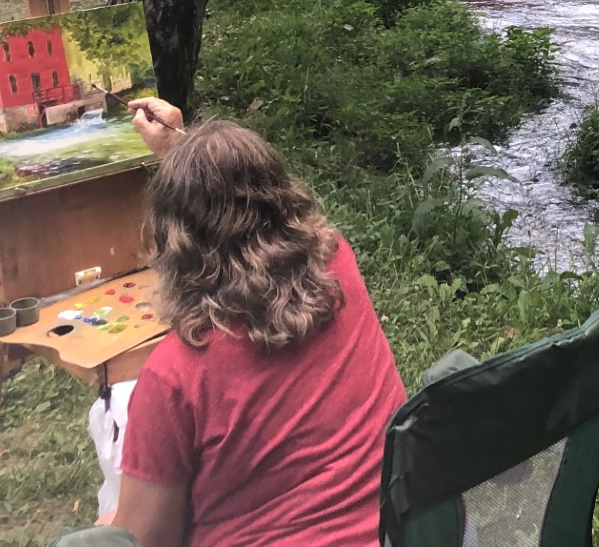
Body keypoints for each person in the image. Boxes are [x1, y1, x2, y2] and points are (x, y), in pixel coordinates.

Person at [64, 101, 405, 547]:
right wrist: (183, 152)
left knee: (109, 518)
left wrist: (113, 520)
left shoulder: (176, 375)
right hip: (394, 531)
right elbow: (246, 203)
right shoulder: (337, 264)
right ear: (284, 197)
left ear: (175, 244)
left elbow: (149, 540)